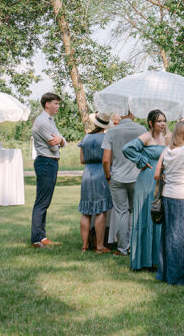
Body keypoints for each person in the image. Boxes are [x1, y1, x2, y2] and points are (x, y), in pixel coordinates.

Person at [122, 110, 169, 270]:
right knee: (146, 216)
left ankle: (157, 259)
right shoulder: (146, 137)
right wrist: (142, 161)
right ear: (151, 123)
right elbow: (128, 148)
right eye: (159, 121)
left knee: (159, 216)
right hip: (147, 179)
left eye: (164, 121)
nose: (162, 124)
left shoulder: (165, 138)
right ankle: (143, 260)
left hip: (162, 180)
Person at [154, 120, 184, 285]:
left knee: (169, 236)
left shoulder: (167, 150)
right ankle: (178, 277)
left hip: (168, 195)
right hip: (183, 197)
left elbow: (157, 175)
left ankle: (166, 273)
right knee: (182, 238)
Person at [102, 109, 147, 257]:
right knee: (135, 212)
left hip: (118, 177)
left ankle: (122, 248)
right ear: (133, 114)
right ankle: (135, 246)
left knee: (121, 212)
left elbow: (106, 160)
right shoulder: (141, 129)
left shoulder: (112, 132)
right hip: (136, 177)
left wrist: (108, 176)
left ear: (120, 114)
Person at [30, 92, 65, 248]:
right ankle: (36, 239)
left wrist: (60, 140)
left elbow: (61, 140)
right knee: (42, 202)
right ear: (47, 104)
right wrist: (59, 141)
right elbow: (54, 144)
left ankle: (42, 237)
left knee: (46, 201)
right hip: (45, 162)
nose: (58, 106)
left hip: (51, 162)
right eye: (56, 104)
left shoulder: (50, 121)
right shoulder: (42, 122)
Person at [77, 112, 113, 252]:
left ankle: (84, 245)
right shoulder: (106, 138)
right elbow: (108, 159)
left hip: (87, 173)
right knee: (101, 211)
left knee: (86, 212)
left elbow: (82, 160)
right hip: (100, 173)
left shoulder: (85, 138)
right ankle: (99, 245)